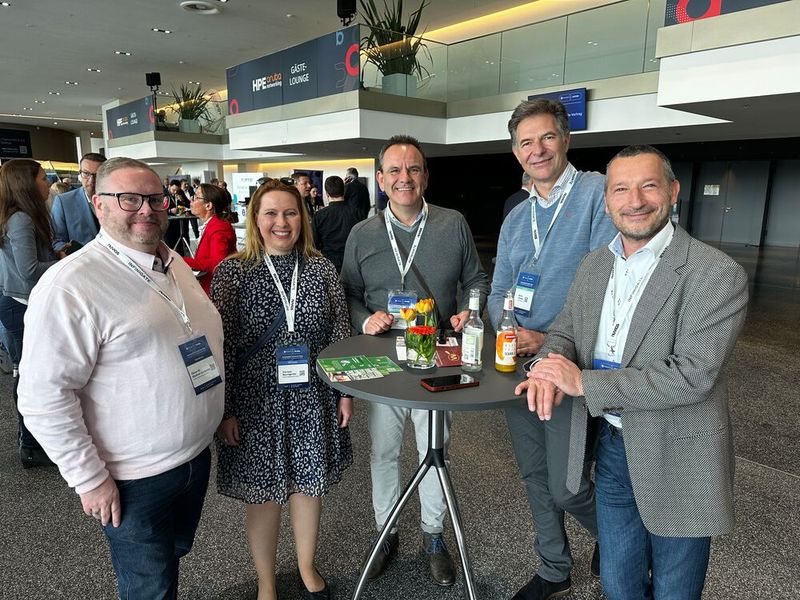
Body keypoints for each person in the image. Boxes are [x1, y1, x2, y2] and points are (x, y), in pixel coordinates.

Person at [516, 145, 749, 600]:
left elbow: (691, 375)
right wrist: (546, 366)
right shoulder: (595, 264)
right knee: (619, 584)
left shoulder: (714, 273)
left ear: (673, 192)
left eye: (649, 186)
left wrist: (582, 383)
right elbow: (564, 332)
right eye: (621, 189)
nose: (635, 200)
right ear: (607, 201)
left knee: (675, 590)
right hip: (611, 446)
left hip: (675, 452)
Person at [17, 157, 225, 599]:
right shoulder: (69, 286)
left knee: (169, 561)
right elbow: (43, 397)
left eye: (155, 198)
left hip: (192, 457)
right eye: (128, 199)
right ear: (98, 204)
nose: (146, 209)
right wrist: (89, 479)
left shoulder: (172, 262)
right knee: (148, 584)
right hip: (134, 478)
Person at [340, 134, 490, 586]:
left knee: (434, 449)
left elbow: (476, 279)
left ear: (425, 175)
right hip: (383, 361)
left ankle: (434, 535)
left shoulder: (452, 223)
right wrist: (364, 319)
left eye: (413, 169)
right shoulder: (362, 233)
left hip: (438, 356)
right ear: (380, 179)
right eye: (395, 171)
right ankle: (386, 532)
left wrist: (469, 310)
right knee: (384, 451)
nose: (404, 178)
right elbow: (348, 293)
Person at [489, 99, 617, 600]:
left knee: (569, 486)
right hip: (520, 364)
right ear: (516, 152)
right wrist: (510, 329)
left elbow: (603, 285)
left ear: (566, 139)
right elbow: (499, 289)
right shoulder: (517, 217)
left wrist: (548, 339)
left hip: (568, 364)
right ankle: (553, 567)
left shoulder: (595, 195)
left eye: (546, 137)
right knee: (534, 473)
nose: (537, 149)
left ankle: (619, 538)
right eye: (526, 142)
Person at [211, 178, 353, 600]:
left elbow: (339, 331)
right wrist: (225, 409)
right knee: (263, 494)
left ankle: (307, 566)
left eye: (291, 213)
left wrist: (344, 391)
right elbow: (223, 345)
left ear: (302, 218)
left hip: (312, 396)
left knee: (308, 486)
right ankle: (266, 582)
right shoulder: (233, 273)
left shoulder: (320, 268)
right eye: (271, 213)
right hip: (254, 400)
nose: (282, 222)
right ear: (255, 219)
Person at [0, 159, 63, 468]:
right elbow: (29, 271)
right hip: (20, 305)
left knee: (25, 373)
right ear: (27, 183)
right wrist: (66, 262)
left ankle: (31, 441)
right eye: (42, 178)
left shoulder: (16, 216)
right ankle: (30, 444)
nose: (47, 183)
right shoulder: (22, 219)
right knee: (30, 377)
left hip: (16, 303)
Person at [182, 183, 237, 295]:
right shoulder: (212, 225)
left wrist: (180, 260)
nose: (191, 200)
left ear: (208, 205)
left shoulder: (219, 228)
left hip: (216, 292)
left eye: (196, 197)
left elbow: (217, 264)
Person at [51, 152, 106, 251]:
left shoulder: (117, 199)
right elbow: (56, 241)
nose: (91, 180)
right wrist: (63, 250)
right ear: (80, 174)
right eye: (86, 174)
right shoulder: (64, 202)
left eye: (98, 175)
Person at [311, 176, 361, 273]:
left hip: (328, 264)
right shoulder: (357, 213)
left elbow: (314, 243)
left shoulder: (319, 215)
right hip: (353, 263)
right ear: (343, 191)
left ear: (327, 194)